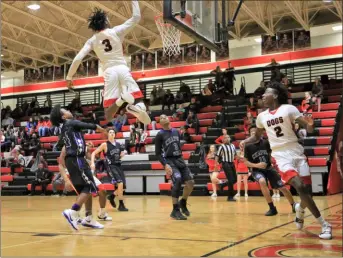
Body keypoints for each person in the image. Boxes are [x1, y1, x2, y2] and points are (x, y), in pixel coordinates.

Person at [240, 82, 332, 239]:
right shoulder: (261, 117)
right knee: (301, 187)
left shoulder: (289, 109)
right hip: (280, 155)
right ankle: (324, 225)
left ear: (274, 95)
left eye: (266, 93)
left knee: (306, 192)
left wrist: (311, 125)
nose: (262, 96)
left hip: (297, 151)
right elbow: (257, 136)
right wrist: (245, 141)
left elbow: (308, 128)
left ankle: (300, 211)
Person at [65, 1, 150, 125]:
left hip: (109, 72)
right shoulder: (116, 31)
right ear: (105, 22)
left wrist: (69, 77)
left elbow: (78, 58)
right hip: (122, 68)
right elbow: (136, 17)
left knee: (108, 115)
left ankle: (121, 100)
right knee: (138, 99)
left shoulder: (92, 41)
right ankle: (139, 108)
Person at [50, 104, 106, 230]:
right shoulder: (70, 123)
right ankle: (73, 211)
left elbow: (60, 143)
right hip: (76, 159)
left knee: (85, 191)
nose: (70, 110)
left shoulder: (66, 128)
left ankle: (89, 218)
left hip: (74, 160)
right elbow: (91, 126)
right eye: (66, 110)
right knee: (91, 187)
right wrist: (103, 130)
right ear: (64, 117)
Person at [244, 125, 297, 216]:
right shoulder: (248, 146)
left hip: (269, 168)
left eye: (255, 131)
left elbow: (270, 154)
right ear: (249, 135)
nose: (253, 133)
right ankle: (272, 208)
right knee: (262, 181)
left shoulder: (265, 142)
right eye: (251, 132)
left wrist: (272, 162)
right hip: (257, 170)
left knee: (282, 187)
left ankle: (294, 205)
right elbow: (246, 162)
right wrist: (257, 165)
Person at [155, 115, 194, 220]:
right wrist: (165, 165)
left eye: (165, 117)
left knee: (190, 183)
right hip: (169, 161)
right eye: (161, 118)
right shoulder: (160, 135)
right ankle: (175, 210)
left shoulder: (176, 132)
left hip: (180, 159)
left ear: (169, 119)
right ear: (160, 123)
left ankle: (183, 201)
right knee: (177, 180)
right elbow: (158, 153)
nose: (164, 118)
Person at [91, 129, 128, 211]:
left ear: (115, 134)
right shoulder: (105, 144)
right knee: (120, 184)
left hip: (119, 166)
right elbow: (94, 153)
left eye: (113, 132)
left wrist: (122, 154)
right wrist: (92, 163)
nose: (112, 134)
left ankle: (111, 196)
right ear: (107, 134)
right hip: (111, 167)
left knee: (123, 187)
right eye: (110, 132)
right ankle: (121, 205)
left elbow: (120, 156)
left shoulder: (118, 144)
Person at [215, 135, 237, 201]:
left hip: (232, 163)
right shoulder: (222, 146)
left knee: (235, 179)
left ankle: (222, 185)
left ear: (230, 138)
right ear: (223, 140)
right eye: (225, 138)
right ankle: (230, 196)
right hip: (225, 163)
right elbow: (217, 156)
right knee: (230, 180)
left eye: (228, 137)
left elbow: (235, 155)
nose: (227, 139)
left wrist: (242, 159)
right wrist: (216, 165)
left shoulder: (233, 145)